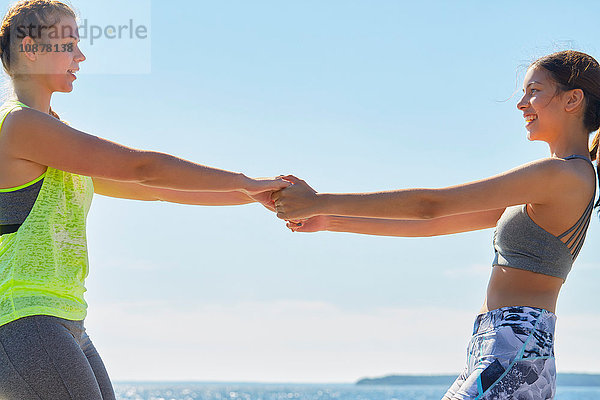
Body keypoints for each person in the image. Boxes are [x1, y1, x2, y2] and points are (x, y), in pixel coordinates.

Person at [0, 1, 289, 399]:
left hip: (67, 321)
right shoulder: (20, 125)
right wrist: (245, 179)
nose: (80, 56)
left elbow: (152, 190)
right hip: (26, 319)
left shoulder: (56, 136)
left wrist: (250, 195)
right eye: (68, 45)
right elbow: (143, 168)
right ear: (30, 49)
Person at [272, 50, 600, 399]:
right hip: (503, 346)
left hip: (514, 347)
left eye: (533, 90)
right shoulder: (561, 176)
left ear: (572, 99)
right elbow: (434, 223)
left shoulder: (560, 174)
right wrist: (329, 220)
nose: (521, 104)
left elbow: (431, 205)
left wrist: (320, 200)